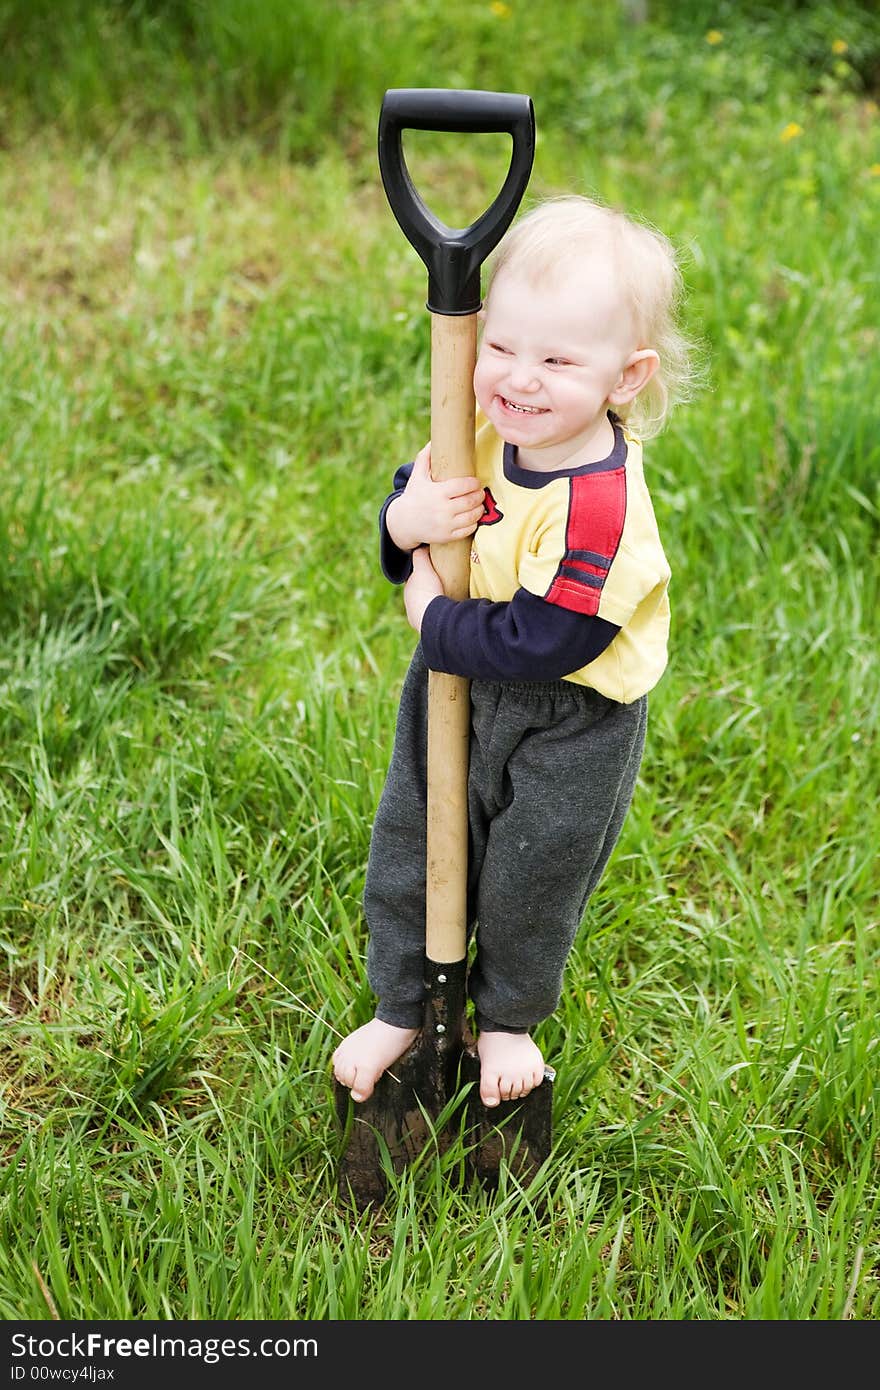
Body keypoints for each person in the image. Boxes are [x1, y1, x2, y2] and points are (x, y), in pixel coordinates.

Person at [333, 194, 696, 1109]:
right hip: (454, 678)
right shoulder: (480, 429)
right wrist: (404, 520)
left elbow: (548, 639)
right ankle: (404, 1005)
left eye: (558, 360)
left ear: (626, 376)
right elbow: (410, 496)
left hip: (571, 715)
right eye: (502, 346)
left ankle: (506, 1021)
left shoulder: (601, 508)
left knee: (534, 868)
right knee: (413, 842)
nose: (520, 379)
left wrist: (430, 621)